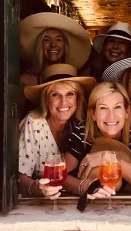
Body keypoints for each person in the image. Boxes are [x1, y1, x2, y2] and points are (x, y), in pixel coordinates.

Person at [62, 82, 131, 198]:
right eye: (103, 108)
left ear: (127, 112)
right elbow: (62, 177)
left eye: (117, 107)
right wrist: (84, 186)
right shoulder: (82, 132)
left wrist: (110, 159)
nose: (111, 116)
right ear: (93, 114)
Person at [19, 63, 96, 199]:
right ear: (46, 99)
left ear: (78, 98)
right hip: (37, 203)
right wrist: (38, 188)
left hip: (73, 199)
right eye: (55, 95)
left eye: (70, 94)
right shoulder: (33, 122)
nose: (63, 102)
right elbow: (20, 177)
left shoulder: (80, 124)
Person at [19, 12, 91, 103]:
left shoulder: (76, 80)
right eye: (47, 40)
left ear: (65, 46)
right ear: (39, 45)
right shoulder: (26, 81)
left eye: (58, 40)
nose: (53, 45)